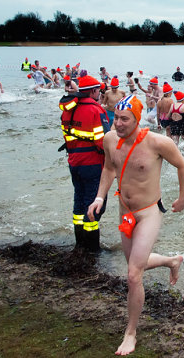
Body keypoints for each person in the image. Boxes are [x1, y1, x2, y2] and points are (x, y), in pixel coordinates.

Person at [85, 94, 184, 356]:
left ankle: (130, 332)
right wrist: (99, 197)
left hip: (148, 212)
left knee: (133, 275)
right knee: (134, 262)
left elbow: (182, 166)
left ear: (137, 119)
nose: (118, 124)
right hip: (125, 211)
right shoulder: (110, 139)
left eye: (124, 119)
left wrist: (182, 197)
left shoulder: (157, 143)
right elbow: (109, 168)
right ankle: (171, 261)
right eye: (116, 118)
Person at [58, 75, 110, 251]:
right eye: (99, 90)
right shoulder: (96, 110)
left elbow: (66, 133)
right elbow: (104, 141)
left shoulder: (68, 108)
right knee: (93, 202)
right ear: (94, 91)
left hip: (73, 160)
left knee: (79, 201)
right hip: (93, 162)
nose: (100, 93)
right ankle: (93, 248)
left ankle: (79, 243)